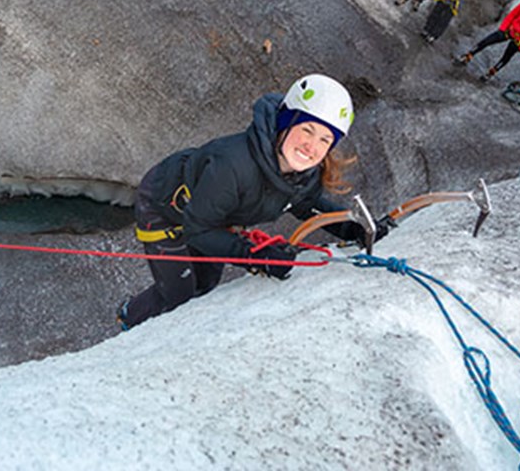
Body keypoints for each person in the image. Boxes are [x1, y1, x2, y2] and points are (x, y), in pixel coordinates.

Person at [116, 74, 390, 330]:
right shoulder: (233, 165)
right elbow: (197, 230)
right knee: (176, 293)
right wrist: (255, 255)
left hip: (212, 214)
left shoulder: (302, 175)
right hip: (164, 207)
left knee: (207, 282)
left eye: (325, 139)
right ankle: (130, 316)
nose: (312, 146)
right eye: (306, 130)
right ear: (285, 122)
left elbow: (307, 204)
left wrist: (351, 227)